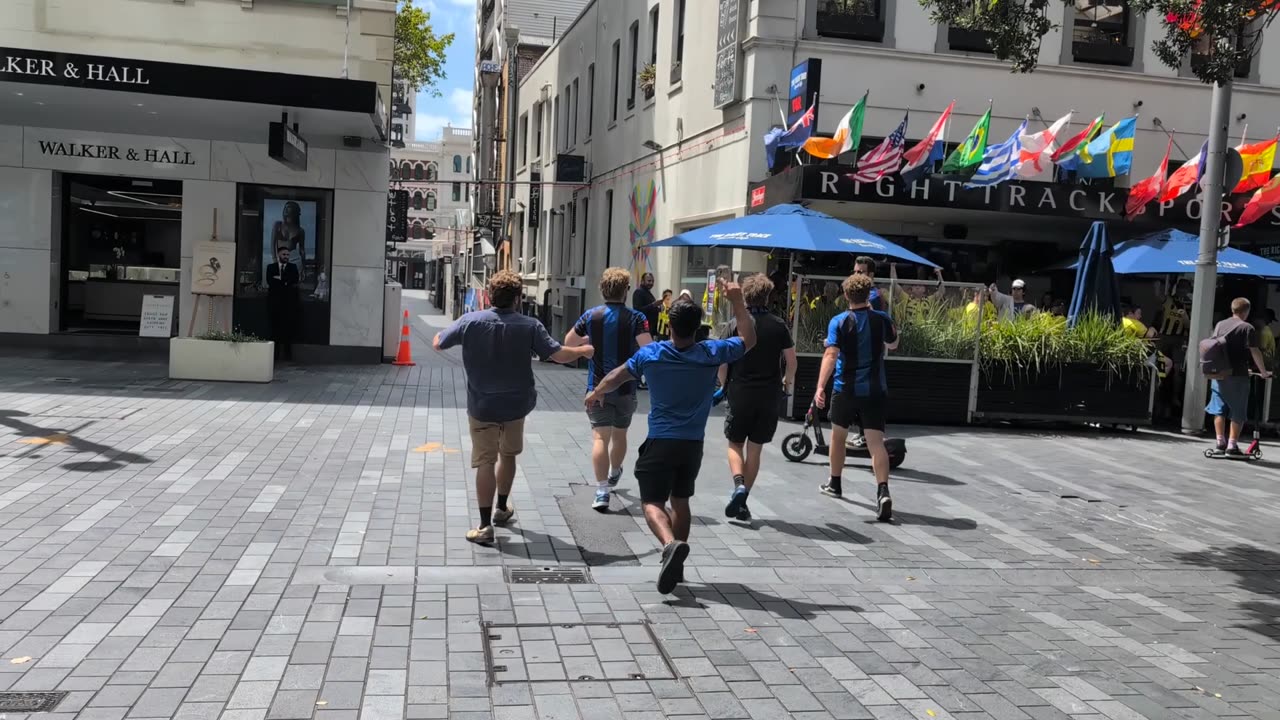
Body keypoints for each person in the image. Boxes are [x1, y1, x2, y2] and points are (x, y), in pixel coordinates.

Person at [584, 279, 756, 594]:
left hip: (660, 441)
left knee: (651, 502)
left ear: (670, 326)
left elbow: (615, 376)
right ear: (697, 327)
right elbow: (748, 339)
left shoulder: (652, 354)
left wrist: (596, 392)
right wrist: (738, 302)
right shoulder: (710, 351)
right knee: (681, 501)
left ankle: (669, 546)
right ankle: (677, 562)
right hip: (692, 445)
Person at [434, 270, 595, 543]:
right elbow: (556, 354)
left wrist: (442, 333)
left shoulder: (470, 321)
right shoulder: (530, 326)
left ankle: (485, 526)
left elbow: (438, 343)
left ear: (489, 295)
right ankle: (501, 508)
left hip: (482, 405)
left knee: (485, 460)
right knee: (508, 455)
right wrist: (583, 351)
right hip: (516, 405)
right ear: (518, 298)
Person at [564, 267, 653, 512]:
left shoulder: (591, 316)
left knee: (599, 438)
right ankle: (615, 471)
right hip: (626, 387)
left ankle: (602, 490)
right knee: (620, 435)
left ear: (602, 289)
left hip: (597, 388)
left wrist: (588, 343)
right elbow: (648, 349)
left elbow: (569, 341)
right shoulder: (637, 318)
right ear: (626, 291)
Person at [814, 273, 899, 521]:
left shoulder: (839, 322)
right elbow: (893, 344)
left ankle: (835, 483)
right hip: (874, 390)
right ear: (868, 294)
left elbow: (830, 355)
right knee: (875, 442)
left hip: (845, 389)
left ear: (846, 295)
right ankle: (883, 490)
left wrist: (820, 387)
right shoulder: (881, 319)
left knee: (838, 437)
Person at [717, 274, 795, 522]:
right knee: (756, 449)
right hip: (769, 393)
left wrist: (723, 385)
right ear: (768, 296)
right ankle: (744, 498)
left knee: (734, 443)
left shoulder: (734, 324)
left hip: (740, 391)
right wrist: (787, 383)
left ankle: (738, 484)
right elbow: (791, 361)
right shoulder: (778, 325)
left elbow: (723, 362)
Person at [1205, 297, 1273, 457]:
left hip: (1219, 373)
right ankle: (1232, 446)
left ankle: (1220, 443)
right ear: (1246, 311)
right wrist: (1263, 372)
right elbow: (1254, 351)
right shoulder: (1247, 327)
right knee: (1238, 411)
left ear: (1232, 309)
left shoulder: (1220, 324)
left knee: (1219, 410)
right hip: (1237, 375)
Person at [266, 245, 301, 362]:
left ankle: (287, 355)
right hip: (275, 305)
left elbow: (294, 280)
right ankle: (274, 355)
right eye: (284, 254)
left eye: (287, 255)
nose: (286, 256)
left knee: (288, 330)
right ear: (278, 255)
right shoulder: (271, 267)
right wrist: (285, 282)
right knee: (274, 330)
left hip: (288, 305)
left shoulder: (293, 267)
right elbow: (270, 282)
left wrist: (280, 281)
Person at [271, 200, 307, 281]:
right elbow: (272, 245)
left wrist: (304, 268)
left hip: (295, 261)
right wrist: (274, 261)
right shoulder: (277, 225)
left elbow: (302, 250)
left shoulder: (300, 231)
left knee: (291, 286)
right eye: (285, 208)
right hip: (279, 259)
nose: (286, 210)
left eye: (289, 208)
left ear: (295, 212)